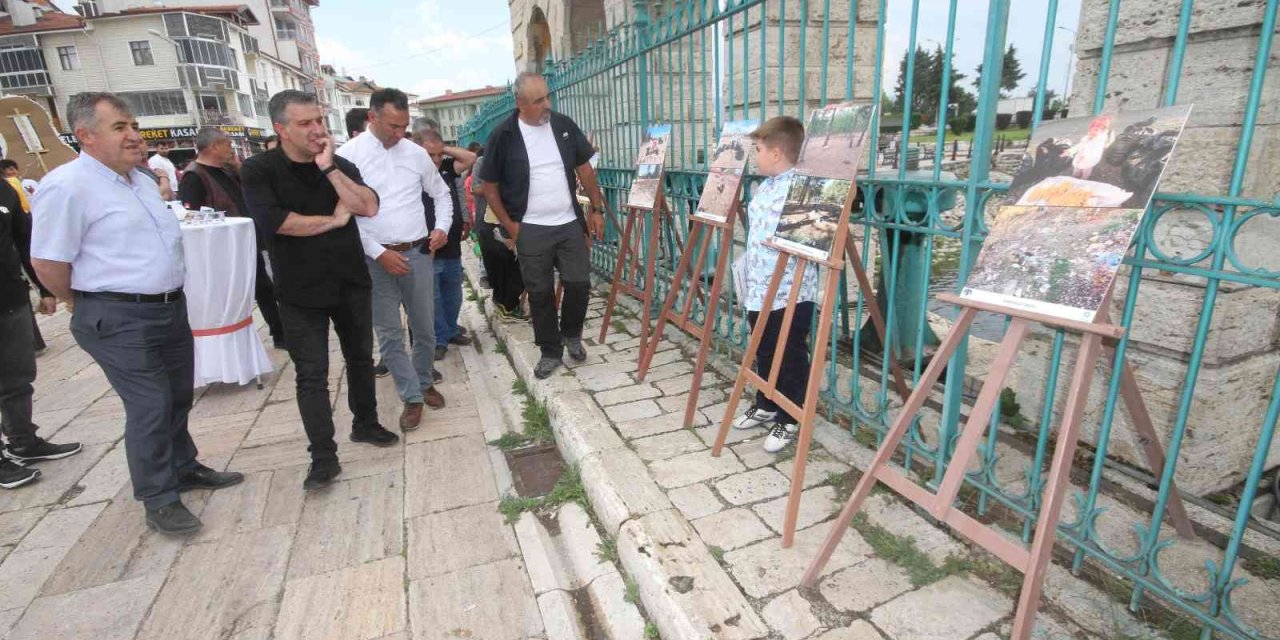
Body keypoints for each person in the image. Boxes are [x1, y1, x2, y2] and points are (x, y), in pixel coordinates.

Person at [31, 92, 243, 532]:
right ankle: (158, 497)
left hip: (168, 308)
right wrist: (86, 300)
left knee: (178, 395)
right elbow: (48, 263)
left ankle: (183, 466)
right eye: (120, 127)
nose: (134, 136)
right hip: (117, 315)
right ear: (85, 135)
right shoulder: (67, 186)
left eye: (134, 126)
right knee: (150, 404)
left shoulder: (141, 180)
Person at [241, 90, 398, 491]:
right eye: (305, 123)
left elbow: (368, 206)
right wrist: (332, 221)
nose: (316, 130)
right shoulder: (259, 170)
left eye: (319, 121)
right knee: (312, 375)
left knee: (360, 359)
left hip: (350, 281)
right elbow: (277, 222)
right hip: (299, 291)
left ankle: (365, 423)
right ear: (281, 129)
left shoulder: (338, 164)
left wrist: (329, 169)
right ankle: (323, 457)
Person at [335, 89, 451, 432]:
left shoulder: (415, 154)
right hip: (374, 259)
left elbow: (441, 194)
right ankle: (411, 396)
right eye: (393, 126)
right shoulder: (347, 157)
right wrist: (379, 252)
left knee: (424, 326)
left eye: (404, 126)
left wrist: (441, 228)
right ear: (372, 117)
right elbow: (344, 216)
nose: (400, 133)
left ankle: (425, 380)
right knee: (388, 333)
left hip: (417, 253)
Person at [480, 72, 607, 379]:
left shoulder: (562, 125)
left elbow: (585, 169)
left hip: (568, 223)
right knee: (539, 292)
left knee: (579, 283)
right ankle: (550, 351)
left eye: (547, 97)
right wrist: (511, 226)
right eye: (538, 101)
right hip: (530, 229)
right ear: (520, 103)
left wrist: (597, 209)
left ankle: (572, 334)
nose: (547, 104)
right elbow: (489, 186)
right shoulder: (502, 135)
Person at [728, 116, 819, 453]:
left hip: (791, 292)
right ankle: (766, 402)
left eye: (758, 149)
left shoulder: (802, 190)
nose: (755, 156)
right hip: (760, 288)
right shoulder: (766, 185)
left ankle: (790, 416)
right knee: (764, 347)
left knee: (790, 352)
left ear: (777, 153)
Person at [178, 127, 287, 349]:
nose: (232, 149)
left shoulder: (227, 171)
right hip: (222, 248)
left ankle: (280, 333)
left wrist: (238, 168)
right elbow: (192, 218)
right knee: (243, 292)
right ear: (213, 146)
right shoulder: (194, 176)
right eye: (227, 144)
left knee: (264, 287)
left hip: (245, 241)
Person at [1, 175, 75, 489]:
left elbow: (24, 241)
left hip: (10, 300)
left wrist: (45, 289)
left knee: (18, 377)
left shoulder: (4, 189)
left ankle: (23, 441)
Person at [415, 124, 476, 359]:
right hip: (426, 247)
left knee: (453, 294)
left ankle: (450, 330)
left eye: (438, 154)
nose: (436, 159)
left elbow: (470, 158)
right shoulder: (411, 173)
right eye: (430, 155)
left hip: (451, 245)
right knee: (433, 298)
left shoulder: (447, 168)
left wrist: (443, 149)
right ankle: (438, 339)